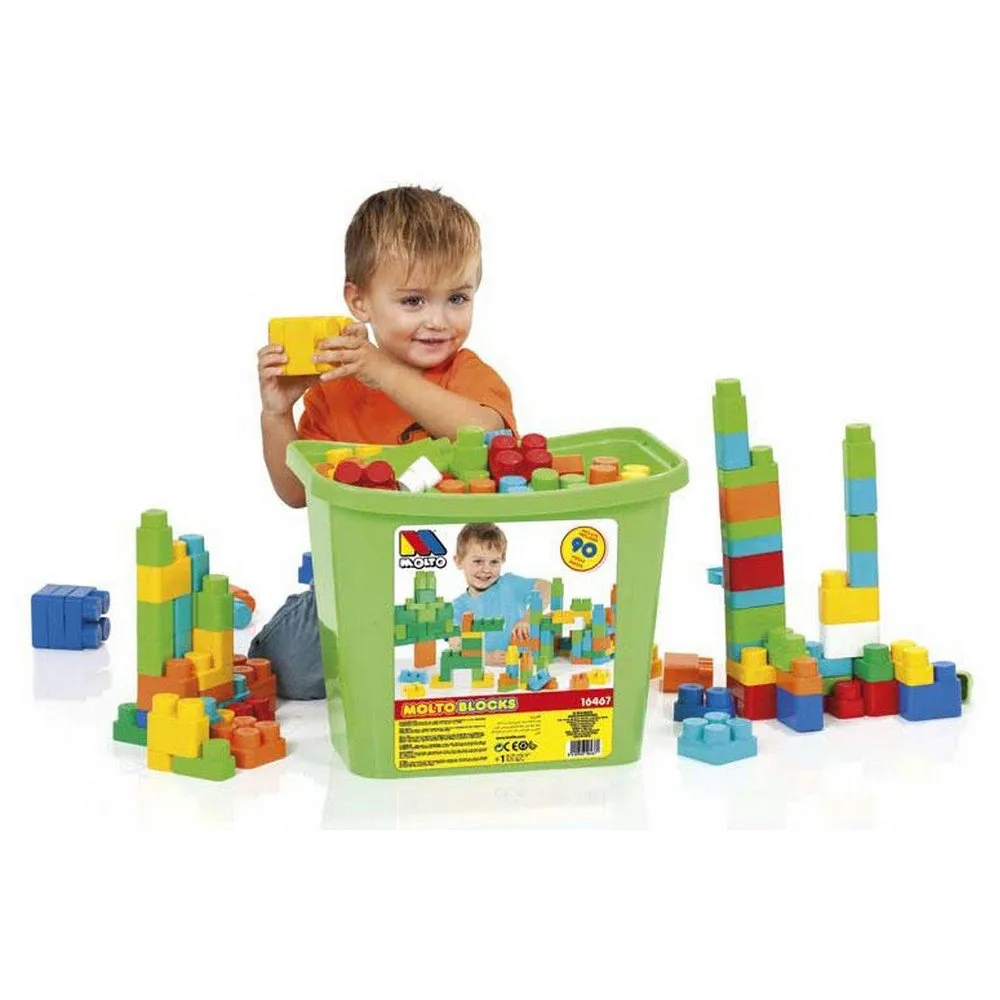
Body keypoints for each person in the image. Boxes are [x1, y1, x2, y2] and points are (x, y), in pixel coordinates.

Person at [251, 186, 517, 699]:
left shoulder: (469, 375)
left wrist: (384, 372)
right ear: (360, 302)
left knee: (480, 655)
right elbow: (296, 491)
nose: (438, 320)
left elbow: (489, 438)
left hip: (453, 574)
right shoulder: (336, 392)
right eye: (413, 301)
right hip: (361, 576)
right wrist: (277, 413)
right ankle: (319, 613)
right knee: (290, 670)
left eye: (457, 298)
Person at [450, 523, 551, 667]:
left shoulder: (509, 584)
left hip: (525, 666)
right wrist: (486, 658)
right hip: (485, 673)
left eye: (494, 562)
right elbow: (455, 644)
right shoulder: (457, 607)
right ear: (459, 562)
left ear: (502, 561)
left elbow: (547, 587)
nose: (486, 569)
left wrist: (529, 617)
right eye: (478, 561)